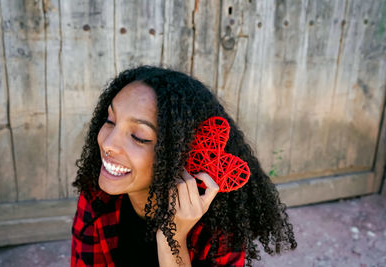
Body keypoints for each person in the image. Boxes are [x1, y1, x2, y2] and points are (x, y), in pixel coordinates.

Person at [71, 66, 297, 266]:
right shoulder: (98, 196)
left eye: (139, 136)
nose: (108, 143)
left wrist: (173, 239)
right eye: (110, 121)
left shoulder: (220, 228)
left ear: (180, 154)